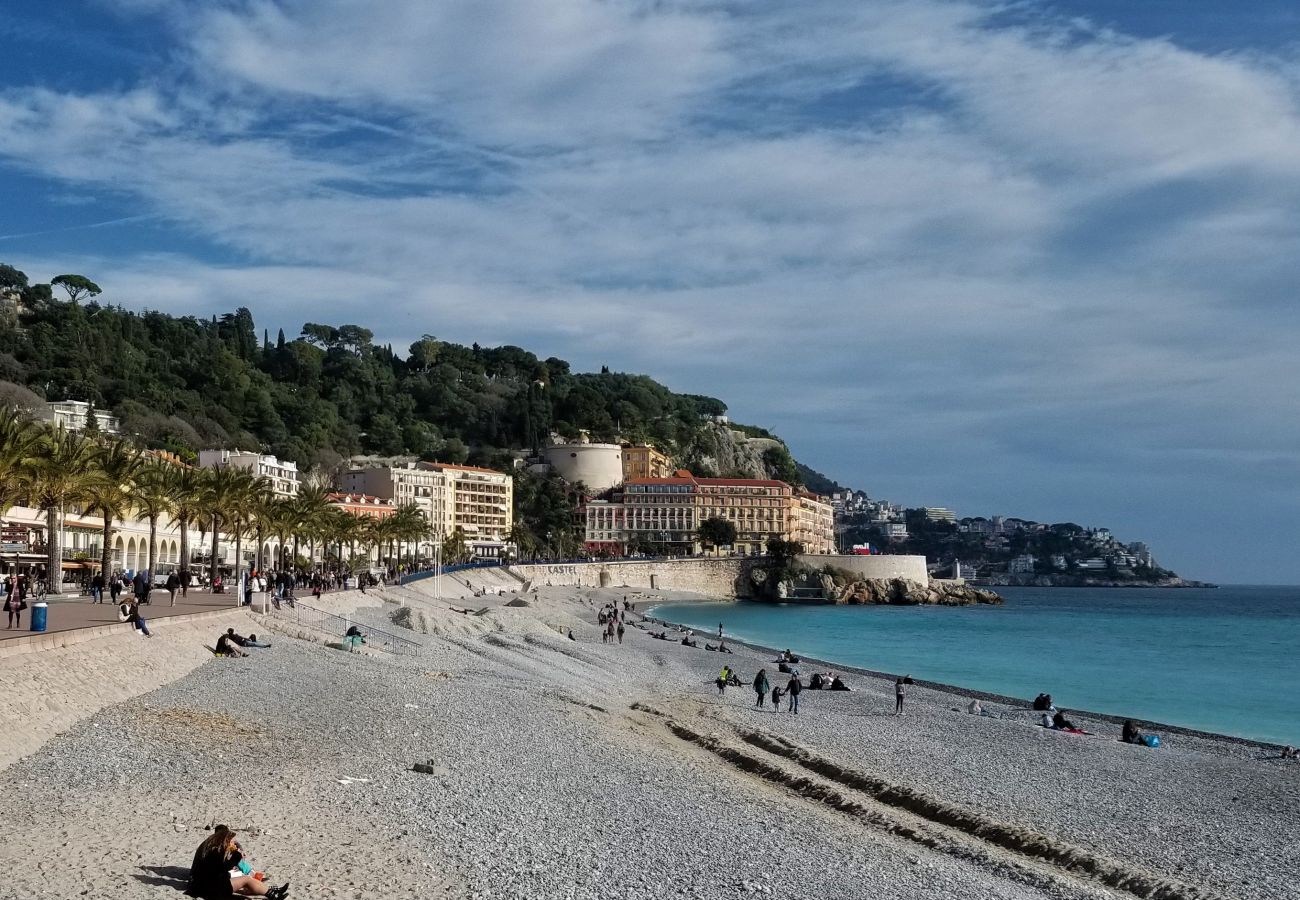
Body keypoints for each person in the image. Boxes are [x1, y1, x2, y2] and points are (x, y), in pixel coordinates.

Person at [187, 824, 289, 899]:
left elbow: (217, 869)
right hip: (210, 888)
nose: (232, 842)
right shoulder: (216, 850)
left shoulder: (209, 846)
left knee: (242, 880)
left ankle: (272, 891)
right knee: (246, 879)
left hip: (200, 884)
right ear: (224, 839)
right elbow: (222, 868)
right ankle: (274, 894)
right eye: (230, 840)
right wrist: (236, 856)